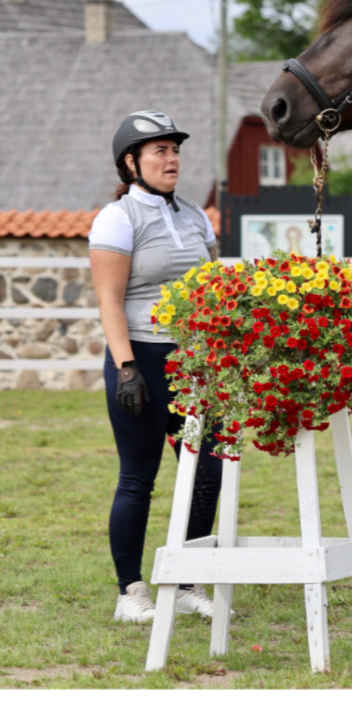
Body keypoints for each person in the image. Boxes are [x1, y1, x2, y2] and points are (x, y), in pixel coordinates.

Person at [90, 110, 227, 624]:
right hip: (141, 357)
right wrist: (127, 369)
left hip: (192, 360)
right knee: (138, 477)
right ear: (131, 163)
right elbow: (110, 301)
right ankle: (131, 591)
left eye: (175, 151)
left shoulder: (195, 214)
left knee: (207, 471)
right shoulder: (118, 218)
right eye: (160, 152)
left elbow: (213, 287)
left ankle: (187, 581)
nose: (172, 160)